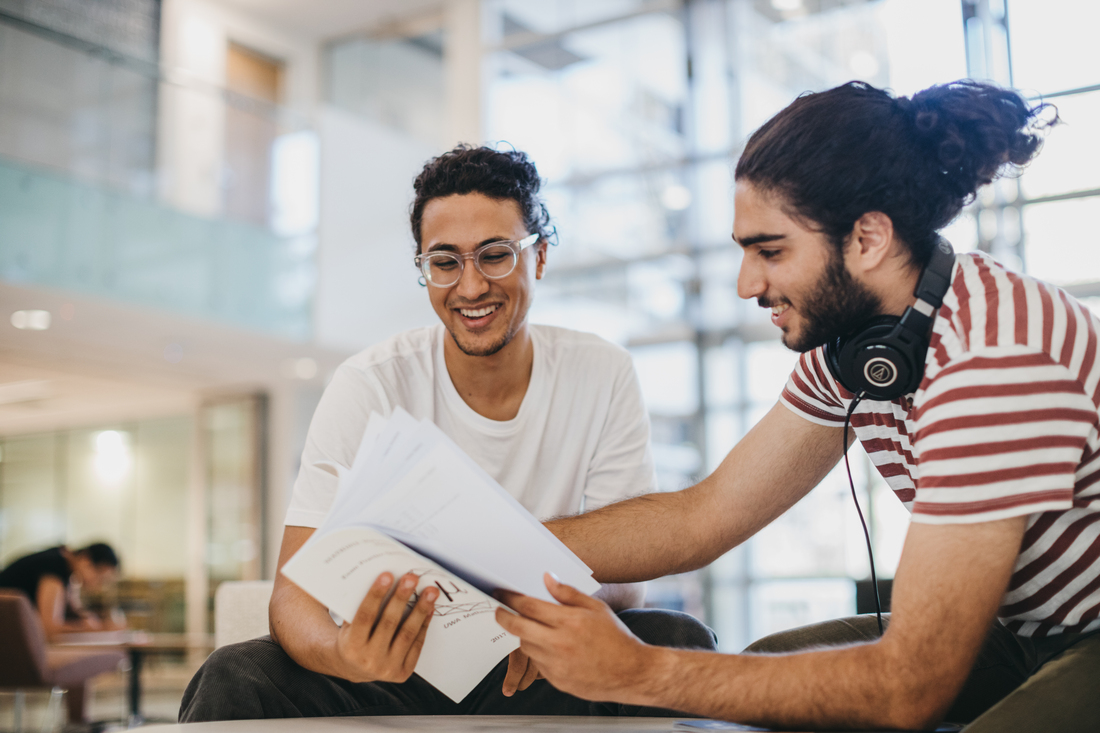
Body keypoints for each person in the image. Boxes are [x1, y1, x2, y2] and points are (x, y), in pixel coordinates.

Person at [494, 80, 1100, 733]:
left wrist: (640, 669)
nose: (746, 283)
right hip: (1023, 630)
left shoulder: (993, 357)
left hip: (1089, 634)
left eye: (770, 250)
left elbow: (909, 686)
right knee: (765, 670)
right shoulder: (859, 346)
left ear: (868, 239)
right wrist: (503, 548)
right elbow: (705, 516)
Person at [179, 145, 715, 722]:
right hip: (392, 669)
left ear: (539, 258)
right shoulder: (369, 384)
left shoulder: (602, 372)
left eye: (494, 255)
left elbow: (625, 579)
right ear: (424, 268)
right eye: (445, 261)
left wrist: (549, 615)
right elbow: (292, 600)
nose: (470, 286)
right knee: (234, 675)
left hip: (531, 655)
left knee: (674, 637)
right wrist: (346, 654)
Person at [0, 542, 122, 639]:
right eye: (100, 577)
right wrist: (97, 629)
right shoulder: (56, 568)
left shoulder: (62, 564)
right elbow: (48, 630)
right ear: (86, 560)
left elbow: (75, 612)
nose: (98, 586)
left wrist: (96, 624)